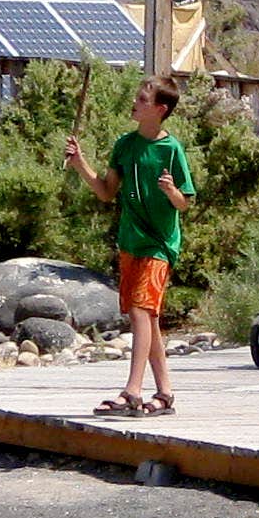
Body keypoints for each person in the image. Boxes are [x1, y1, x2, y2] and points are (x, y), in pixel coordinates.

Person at [78, 72, 196, 418]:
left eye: (143, 100)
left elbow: (184, 202)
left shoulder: (171, 149)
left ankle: (132, 391)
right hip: (131, 242)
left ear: (160, 109)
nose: (134, 103)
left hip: (159, 245)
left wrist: (171, 191)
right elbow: (106, 192)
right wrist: (80, 163)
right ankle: (165, 393)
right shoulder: (125, 145)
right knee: (146, 317)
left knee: (142, 310)